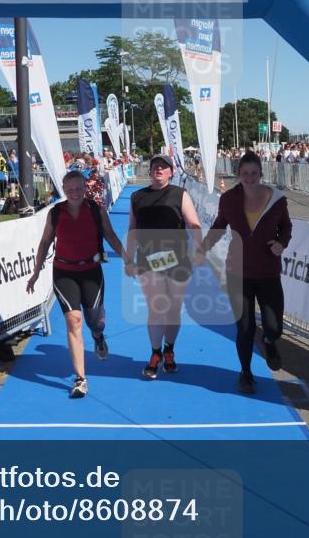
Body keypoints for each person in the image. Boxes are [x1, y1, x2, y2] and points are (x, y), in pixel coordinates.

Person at [26, 170, 130, 399]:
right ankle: (80, 379)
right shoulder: (55, 213)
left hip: (91, 271)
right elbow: (44, 242)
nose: (74, 193)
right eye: (69, 189)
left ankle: (98, 337)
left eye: (78, 188)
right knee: (74, 321)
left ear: (85, 188)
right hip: (64, 272)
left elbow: (111, 237)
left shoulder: (96, 210)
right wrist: (35, 272)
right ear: (64, 190)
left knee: (95, 321)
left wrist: (127, 260)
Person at [196, 151, 291, 394]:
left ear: (261, 174)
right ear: (239, 174)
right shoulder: (228, 199)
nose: (249, 178)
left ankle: (270, 341)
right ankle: (246, 374)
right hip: (238, 273)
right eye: (245, 173)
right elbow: (219, 225)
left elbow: (286, 227)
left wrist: (282, 243)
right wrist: (203, 248)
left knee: (274, 326)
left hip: (268, 271)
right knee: (245, 327)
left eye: (254, 173)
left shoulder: (276, 199)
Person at [125, 154, 203, 379]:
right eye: (155, 167)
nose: (158, 170)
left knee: (173, 309)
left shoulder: (180, 194)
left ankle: (169, 348)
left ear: (171, 172)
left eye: (163, 167)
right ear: (149, 172)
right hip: (149, 260)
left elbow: (194, 224)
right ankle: (155, 353)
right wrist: (129, 258)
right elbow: (132, 229)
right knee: (156, 308)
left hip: (177, 259)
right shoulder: (137, 197)